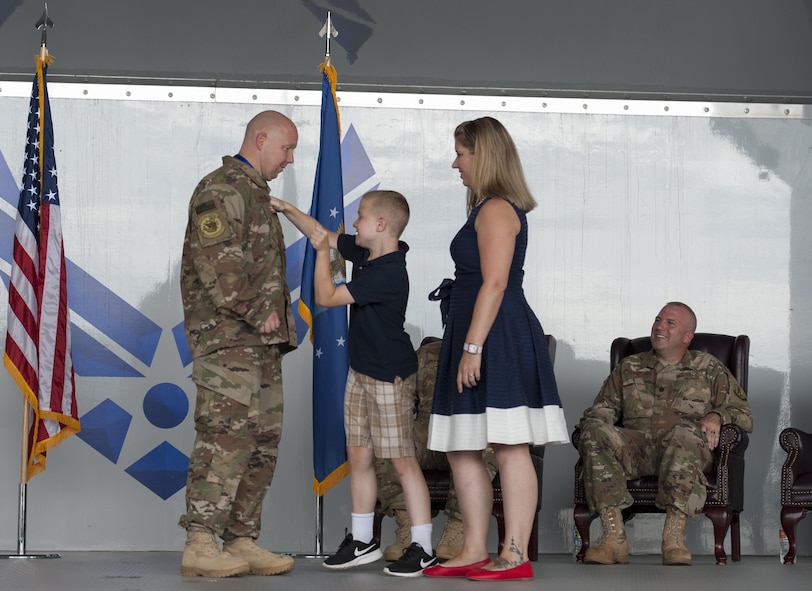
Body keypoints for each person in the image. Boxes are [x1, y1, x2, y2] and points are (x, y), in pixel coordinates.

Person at [424, 116, 569, 582]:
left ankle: (514, 553)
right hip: (475, 333)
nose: (456, 164)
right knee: (462, 446)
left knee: (509, 445)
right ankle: (473, 549)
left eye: (461, 154)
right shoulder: (484, 208)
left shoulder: (498, 209)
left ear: (482, 156)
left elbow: (496, 283)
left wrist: (473, 347)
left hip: (496, 336)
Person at [271, 190, 438, 577]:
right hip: (360, 371)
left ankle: (423, 546)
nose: (354, 222)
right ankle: (363, 541)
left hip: (389, 376)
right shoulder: (366, 252)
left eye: (360, 216)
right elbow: (323, 234)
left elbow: (326, 296)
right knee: (359, 456)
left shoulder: (389, 272)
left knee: (402, 461)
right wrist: (285, 208)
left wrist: (321, 255)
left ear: (381, 224)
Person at [178, 110, 299, 578]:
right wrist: (254, 308)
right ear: (261, 139)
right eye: (286, 148)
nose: (289, 159)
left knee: (261, 442)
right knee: (223, 437)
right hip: (228, 339)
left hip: (260, 343)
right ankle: (200, 542)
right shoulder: (223, 188)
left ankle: (241, 538)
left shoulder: (256, 193)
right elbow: (218, 262)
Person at [577, 302, 753, 566]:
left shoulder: (708, 367)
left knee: (683, 434)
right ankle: (614, 536)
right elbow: (602, 410)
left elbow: (743, 414)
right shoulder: (629, 366)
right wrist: (595, 430)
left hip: (685, 449)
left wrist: (718, 415)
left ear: (687, 336)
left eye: (670, 323)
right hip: (636, 450)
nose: (660, 327)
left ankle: (673, 538)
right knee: (592, 431)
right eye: (658, 320)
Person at [374, 339, 498, 561]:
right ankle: (408, 527)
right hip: (429, 430)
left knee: (487, 441)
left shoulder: (496, 351)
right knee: (391, 437)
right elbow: (402, 402)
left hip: (472, 429)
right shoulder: (426, 353)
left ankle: (458, 528)